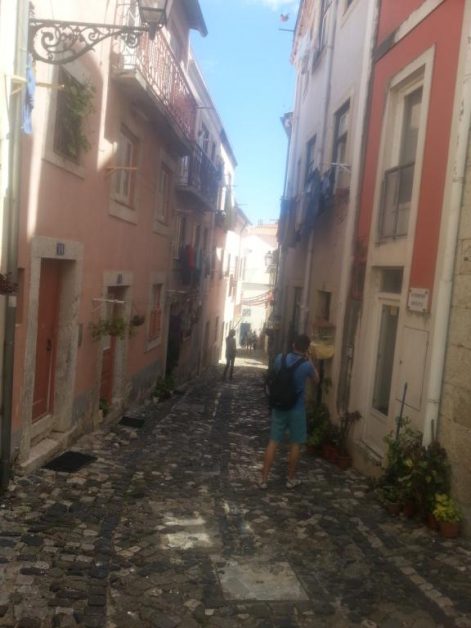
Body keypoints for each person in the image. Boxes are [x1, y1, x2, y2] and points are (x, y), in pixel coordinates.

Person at [260, 333, 319, 489]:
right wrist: (310, 359)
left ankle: (263, 479)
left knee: (273, 442)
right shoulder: (306, 365)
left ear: (293, 345)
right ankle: (290, 479)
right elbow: (316, 380)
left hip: (279, 405)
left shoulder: (281, 358)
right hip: (297, 409)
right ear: (306, 348)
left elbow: (274, 373)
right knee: (295, 444)